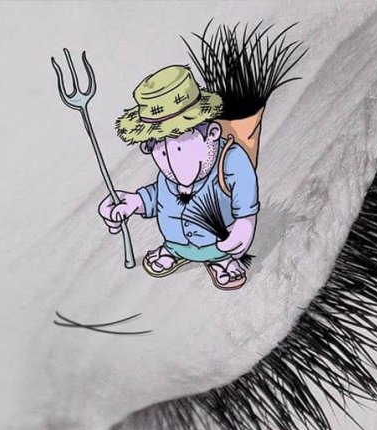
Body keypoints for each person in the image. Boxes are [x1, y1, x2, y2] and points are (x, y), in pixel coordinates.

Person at [99, 65, 260, 290]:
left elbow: (245, 201)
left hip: (218, 244)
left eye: (180, 148)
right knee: (173, 240)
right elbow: (160, 194)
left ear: (212, 133)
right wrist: (134, 202)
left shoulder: (232, 160)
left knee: (222, 249)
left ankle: (220, 260)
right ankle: (174, 251)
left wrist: (244, 226)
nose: (172, 165)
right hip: (175, 242)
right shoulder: (168, 173)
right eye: (160, 150)